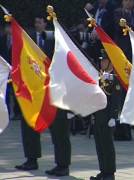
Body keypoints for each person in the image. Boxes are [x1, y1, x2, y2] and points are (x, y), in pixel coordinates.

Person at [15, 16, 71, 177]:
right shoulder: (30, 40)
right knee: (29, 123)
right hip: (35, 90)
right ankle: (31, 158)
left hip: (55, 89)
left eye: (40, 22)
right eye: (36, 22)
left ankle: (62, 164)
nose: (37, 24)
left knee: (59, 129)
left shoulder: (56, 39)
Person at [90, 51, 121, 180]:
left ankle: (110, 172)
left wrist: (114, 116)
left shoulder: (114, 78)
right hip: (98, 116)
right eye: (101, 61)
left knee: (108, 146)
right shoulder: (98, 77)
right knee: (100, 145)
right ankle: (103, 170)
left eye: (104, 61)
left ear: (110, 62)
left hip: (108, 117)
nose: (102, 63)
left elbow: (116, 99)